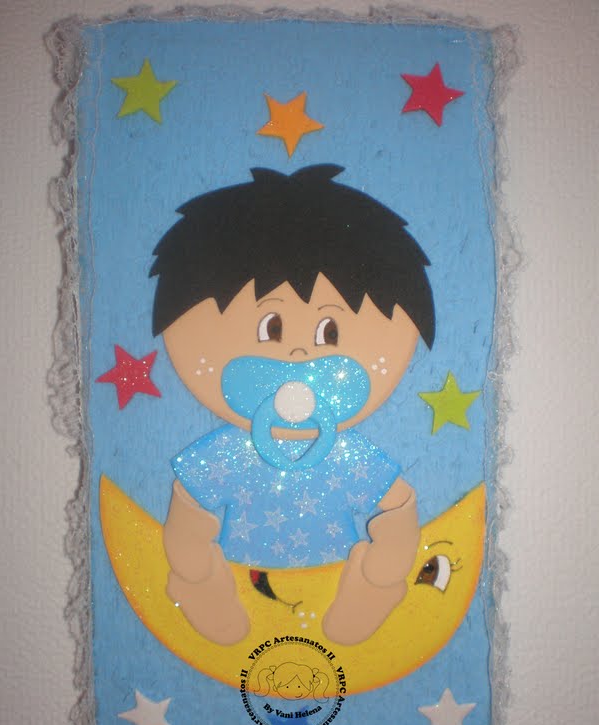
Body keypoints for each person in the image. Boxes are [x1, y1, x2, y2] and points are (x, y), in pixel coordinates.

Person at [150, 165, 435, 646]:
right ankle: (195, 586)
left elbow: (399, 507)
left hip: (331, 579)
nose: (299, 355)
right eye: (272, 328)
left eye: (330, 331)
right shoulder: (230, 453)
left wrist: (382, 573)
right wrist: (194, 570)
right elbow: (189, 510)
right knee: (192, 560)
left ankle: (376, 591)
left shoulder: (347, 457)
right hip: (242, 577)